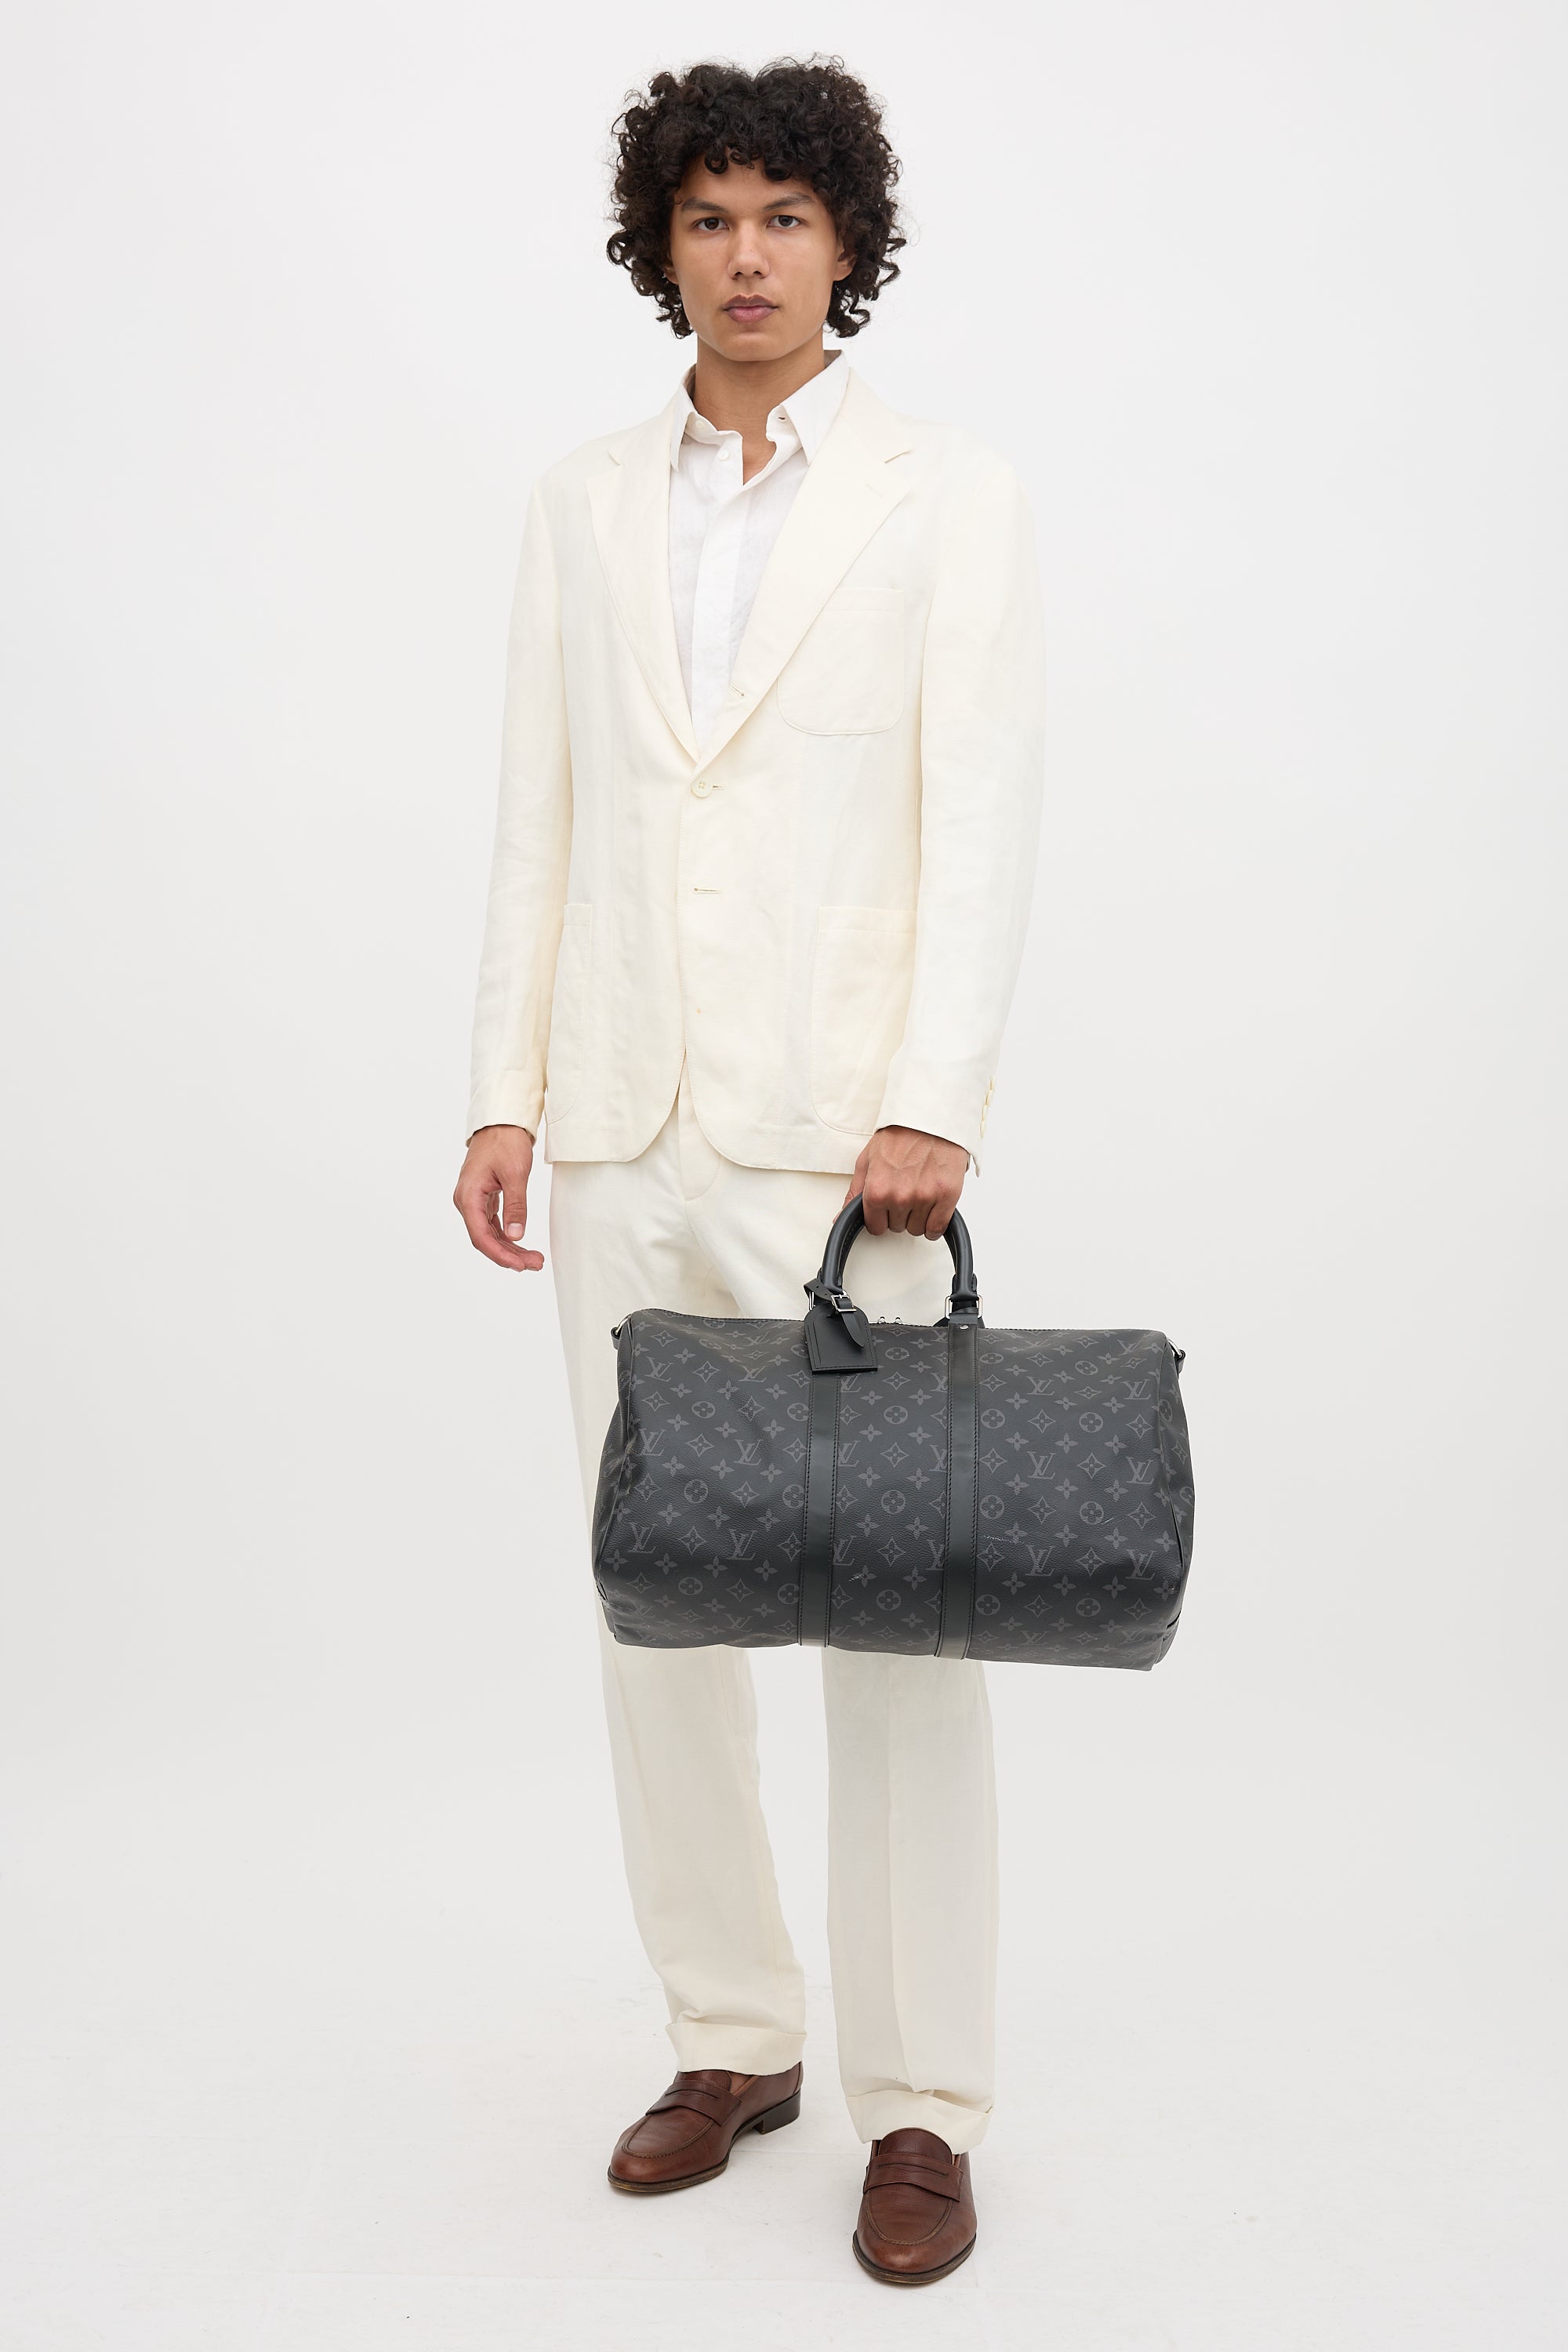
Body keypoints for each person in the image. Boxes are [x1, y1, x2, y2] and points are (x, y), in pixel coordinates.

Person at [453, 56, 1045, 2286]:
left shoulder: (946, 495)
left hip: (842, 1148)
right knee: (660, 1609)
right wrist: (504, 1091)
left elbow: (980, 811)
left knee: (899, 1618)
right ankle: (731, 2032)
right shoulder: (584, 501)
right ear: (662, 247)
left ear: (847, 242)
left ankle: (925, 2102)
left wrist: (937, 1093)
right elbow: (542, 809)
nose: (748, 254)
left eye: (787, 214)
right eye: (709, 216)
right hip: (623, 1122)